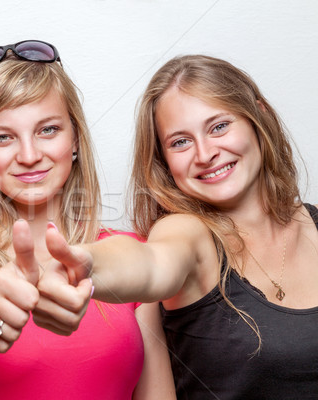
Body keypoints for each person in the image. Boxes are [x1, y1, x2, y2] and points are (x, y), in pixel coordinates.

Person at [0, 40, 175, 400]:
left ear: (76, 137)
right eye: (2, 137)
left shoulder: (129, 255)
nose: (29, 155)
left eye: (48, 130)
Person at [42, 54, 318, 399]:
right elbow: (152, 264)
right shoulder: (187, 233)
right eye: (180, 142)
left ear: (258, 117)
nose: (204, 154)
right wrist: (84, 266)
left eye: (219, 126)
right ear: (164, 161)